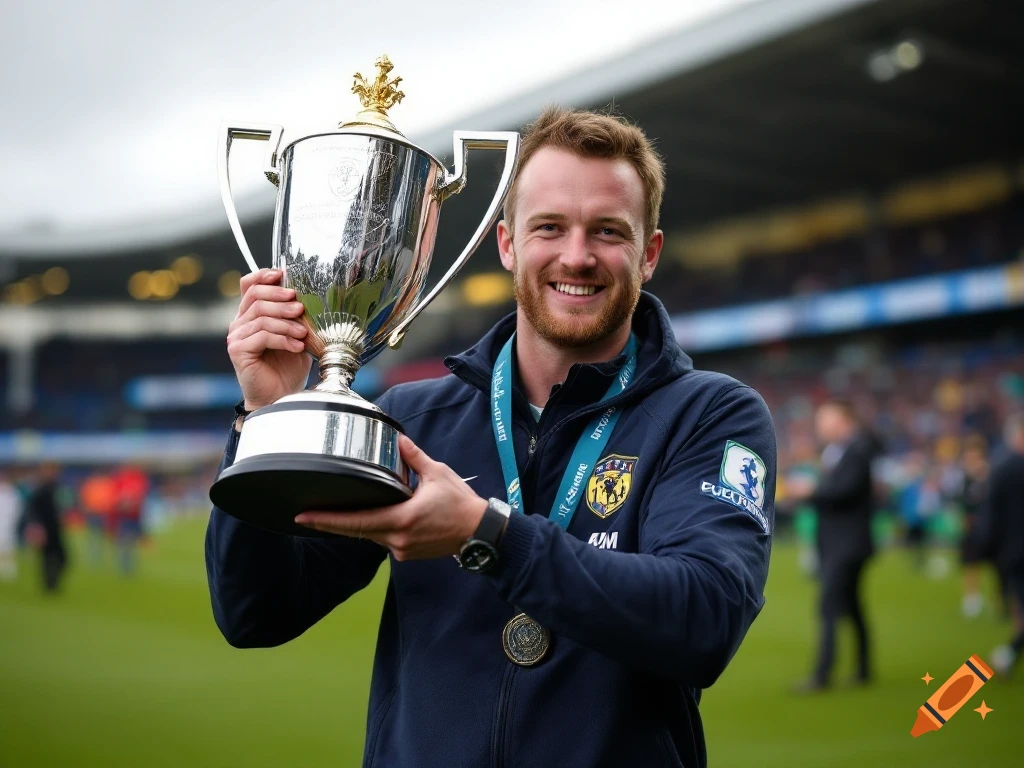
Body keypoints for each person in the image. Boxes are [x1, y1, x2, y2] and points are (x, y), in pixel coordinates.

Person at [206, 107, 777, 768]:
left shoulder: (712, 416)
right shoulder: (415, 419)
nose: (577, 255)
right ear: (507, 244)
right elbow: (256, 613)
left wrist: (490, 536)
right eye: (549, 227)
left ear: (648, 253)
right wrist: (265, 419)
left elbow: (705, 618)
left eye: (608, 231)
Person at [788, 399, 878, 691]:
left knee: (829, 606)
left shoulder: (858, 449)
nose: (821, 426)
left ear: (844, 420)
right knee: (851, 605)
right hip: (838, 543)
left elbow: (844, 491)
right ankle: (864, 669)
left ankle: (822, 676)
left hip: (847, 545)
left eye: (826, 420)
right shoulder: (835, 452)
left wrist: (811, 490)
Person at [985, 413, 1024, 676]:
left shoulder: (1003, 467)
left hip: (1012, 551)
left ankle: (1010, 652)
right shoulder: (1007, 467)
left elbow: (991, 515)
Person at [955, 435, 990, 618]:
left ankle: (1000, 599)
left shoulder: (988, 474)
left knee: (996, 564)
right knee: (970, 562)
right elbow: (963, 502)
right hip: (970, 525)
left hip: (987, 524)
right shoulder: (965, 475)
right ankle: (972, 598)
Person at [25, 463, 68, 593]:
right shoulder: (40, 489)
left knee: (61, 557)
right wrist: (35, 525)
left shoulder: (55, 487)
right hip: (44, 528)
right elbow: (32, 509)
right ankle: (49, 585)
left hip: (55, 527)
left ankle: (51, 583)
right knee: (48, 557)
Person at [0, 470, 22, 581]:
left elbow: (16, 509)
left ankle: (8, 571)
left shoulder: (11, 493)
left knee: (7, 548)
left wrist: (12, 521)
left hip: (8, 524)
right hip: (4, 523)